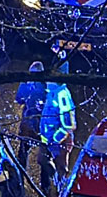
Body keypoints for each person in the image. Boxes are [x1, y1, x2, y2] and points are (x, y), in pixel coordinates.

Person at [38, 67, 76, 191]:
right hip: (48, 140)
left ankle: (62, 191)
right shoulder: (51, 92)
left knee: (62, 169)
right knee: (42, 160)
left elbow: (68, 124)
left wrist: (56, 139)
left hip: (59, 142)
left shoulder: (62, 94)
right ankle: (53, 185)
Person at [15, 62, 48, 191]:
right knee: (44, 156)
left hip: (28, 125)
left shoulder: (27, 84)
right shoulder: (46, 85)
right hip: (43, 126)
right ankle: (45, 186)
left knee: (23, 153)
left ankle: (19, 181)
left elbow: (19, 99)